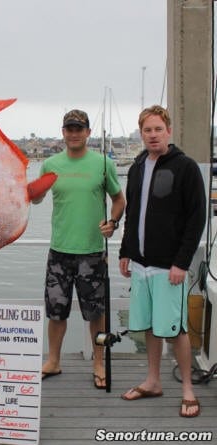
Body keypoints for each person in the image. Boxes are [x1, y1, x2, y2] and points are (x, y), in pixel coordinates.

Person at [119, 105, 206, 417]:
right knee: (150, 328)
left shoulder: (186, 168)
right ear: (141, 133)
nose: (153, 135)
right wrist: (125, 251)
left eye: (158, 129)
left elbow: (197, 219)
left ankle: (187, 389)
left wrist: (182, 263)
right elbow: (132, 214)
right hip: (141, 264)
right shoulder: (138, 166)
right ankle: (153, 380)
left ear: (169, 130)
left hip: (170, 267)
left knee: (176, 329)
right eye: (147, 130)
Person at [35, 109, 125, 389]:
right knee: (56, 312)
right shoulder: (50, 164)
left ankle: (98, 363)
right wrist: (27, 192)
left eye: (79, 128)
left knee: (96, 314)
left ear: (88, 132)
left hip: (92, 252)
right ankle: (54, 360)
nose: (74, 133)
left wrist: (113, 222)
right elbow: (36, 199)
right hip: (59, 251)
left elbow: (119, 200)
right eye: (69, 128)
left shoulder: (102, 164)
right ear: (63, 132)